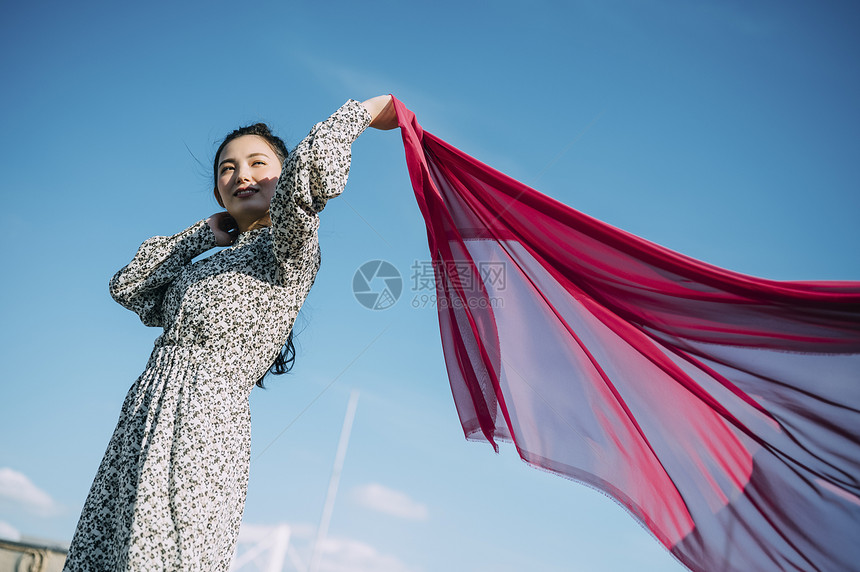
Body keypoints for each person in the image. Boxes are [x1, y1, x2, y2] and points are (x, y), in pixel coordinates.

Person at [63, 95, 397, 571]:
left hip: (205, 419)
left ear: (283, 176)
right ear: (218, 192)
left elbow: (305, 180)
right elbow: (129, 287)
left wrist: (361, 112)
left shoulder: (287, 251)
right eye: (227, 169)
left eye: (259, 164)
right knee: (107, 552)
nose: (242, 175)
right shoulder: (203, 267)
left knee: (167, 554)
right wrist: (200, 236)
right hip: (142, 415)